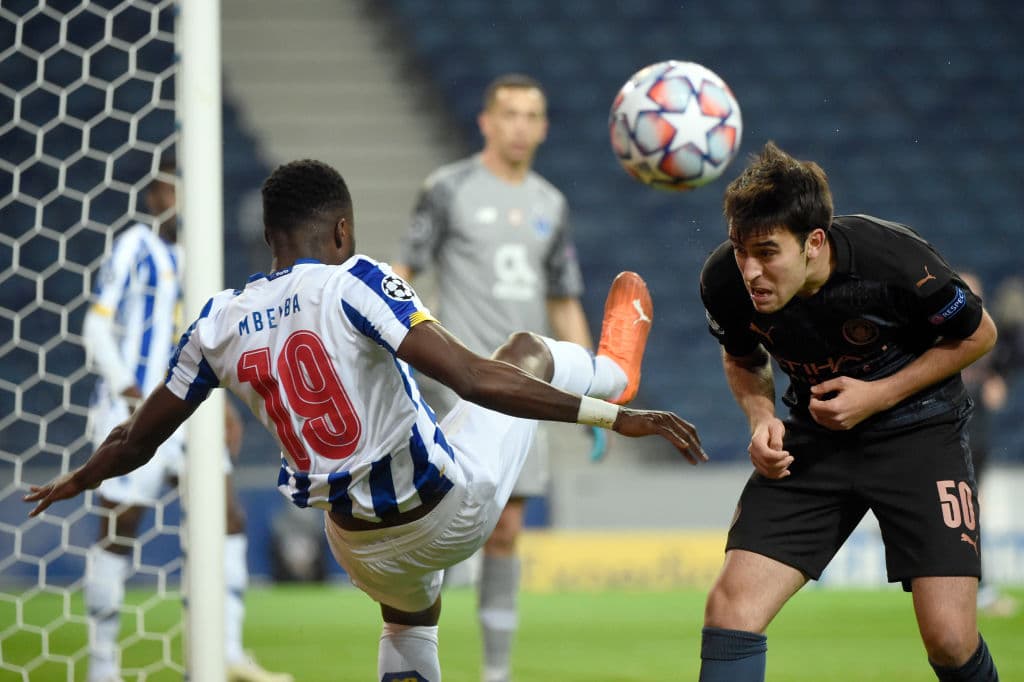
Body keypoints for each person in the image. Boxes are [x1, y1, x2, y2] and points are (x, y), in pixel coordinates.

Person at [27, 158, 707, 682]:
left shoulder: (215, 324)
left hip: (356, 546)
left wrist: (78, 478)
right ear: (342, 231)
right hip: (448, 511)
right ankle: (614, 370)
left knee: (410, 622)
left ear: (268, 236)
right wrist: (613, 415)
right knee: (523, 351)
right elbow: (472, 378)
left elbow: (135, 440)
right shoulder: (356, 280)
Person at [698, 142, 1001, 681]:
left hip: (920, 435)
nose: (750, 270)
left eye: (767, 252)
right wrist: (761, 418)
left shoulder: (895, 261)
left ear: (813, 242)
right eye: (741, 250)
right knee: (730, 610)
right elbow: (742, 358)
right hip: (816, 440)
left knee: (951, 641)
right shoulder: (724, 281)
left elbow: (979, 335)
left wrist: (879, 394)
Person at [391, 73, 599, 682]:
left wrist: (592, 385)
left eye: (531, 115)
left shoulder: (551, 204)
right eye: (509, 113)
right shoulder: (447, 189)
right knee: (434, 526)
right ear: (486, 121)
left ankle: (495, 672)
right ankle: (412, 660)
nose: (519, 126)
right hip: (452, 385)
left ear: (544, 127)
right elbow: (403, 271)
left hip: (522, 390)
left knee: (506, 530)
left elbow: (562, 299)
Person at [79, 158, 292, 682]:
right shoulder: (135, 246)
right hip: (133, 410)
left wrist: (223, 406)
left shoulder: (197, 259)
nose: (174, 201)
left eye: (182, 191)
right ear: (152, 198)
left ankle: (226, 651)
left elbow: (204, 344)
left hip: (188, 414)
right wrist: (130, 390)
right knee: (119, 530)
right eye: (166, 191)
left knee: (227, 518)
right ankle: (102, 665)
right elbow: (96, 327)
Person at [958, 272, 1016, 618]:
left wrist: (996, 381)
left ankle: (976, 588)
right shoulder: (940, 335)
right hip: (950, 436)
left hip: (976, 437)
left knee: (969, 513)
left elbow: (998, 380)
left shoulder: (988, 336)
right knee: (965, 514)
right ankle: (978, 589)